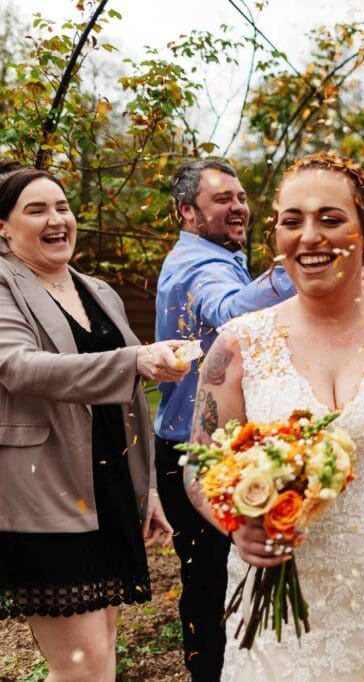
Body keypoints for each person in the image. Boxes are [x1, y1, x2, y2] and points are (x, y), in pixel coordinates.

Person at [183, 152, 364, 680]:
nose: (309, 236)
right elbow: (201, 465)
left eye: (331, 218)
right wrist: (236, 524)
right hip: (278, 589)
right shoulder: (237, 345)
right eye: (292, 221)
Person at [0, 167, 188, 679]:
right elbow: (18, 367)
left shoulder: (98, 290)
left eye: (61, 206)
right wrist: (134, 360)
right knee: (81, 666)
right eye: (36, 210)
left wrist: (144, 489)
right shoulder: (3, 285)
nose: (57, 219)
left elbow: (128, 404)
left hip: (107, 486)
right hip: (46, 496)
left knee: (101, 653)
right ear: (3, 227)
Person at [153, 158, 297, 680]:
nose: (238, 207)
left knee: (219, 580)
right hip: (191, 448)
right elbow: (230, 309)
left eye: (240, 196)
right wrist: (294, 265)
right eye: (223, 200)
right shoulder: (200, 265)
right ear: (187, 211)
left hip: (201, 437)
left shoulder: (216, 253)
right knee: (211, 587)